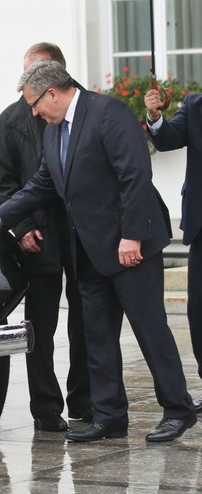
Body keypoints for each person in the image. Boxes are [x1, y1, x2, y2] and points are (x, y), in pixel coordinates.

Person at [0, 60, 196, 442]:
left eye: (35, 103)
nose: (33, 112)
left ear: (53, 92)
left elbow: (134, 175)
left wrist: (131, 236)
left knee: (150, 331)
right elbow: (41, 184)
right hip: (87, 250)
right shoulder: (53, 130)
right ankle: (109, 416)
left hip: (128, 247)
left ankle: (178, 409)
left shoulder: (108, 112)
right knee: (97, 336)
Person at [0, 42, 91, 433]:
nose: (27, 89)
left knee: (86, 322)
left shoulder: (86, 110)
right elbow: (5, 184)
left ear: (55, 79)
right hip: (38, 238)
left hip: (81, 235)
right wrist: (21, 229)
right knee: (40, 327)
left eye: (34, 78)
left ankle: (85, 401)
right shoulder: (11, 119)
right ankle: (45, 408)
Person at [144, 88, 202, 413]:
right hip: (201, 225)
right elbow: (166, 139)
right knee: (199, 311)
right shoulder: (195, 104)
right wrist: (154, 116)